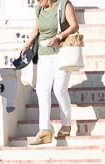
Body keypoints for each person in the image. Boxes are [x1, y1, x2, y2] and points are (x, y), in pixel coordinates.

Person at [21, 0, 77, 144]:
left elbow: (74, 25)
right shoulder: (39, 8)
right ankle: (45, 130)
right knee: (41, 90)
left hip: (62, 52)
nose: (39, 2)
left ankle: (66, 124)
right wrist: (27, 44)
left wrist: (58, 37)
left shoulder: (64, 4)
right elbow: (36, 29)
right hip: (44, 54)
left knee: (59, 89)